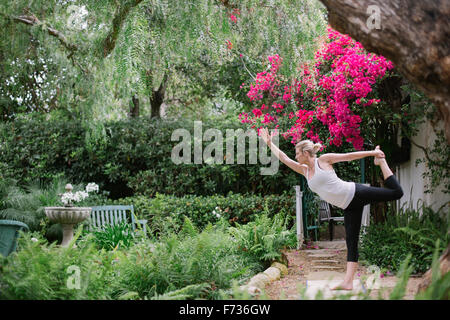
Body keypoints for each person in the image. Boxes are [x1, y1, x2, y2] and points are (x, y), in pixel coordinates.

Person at [259, 127, 403, 290]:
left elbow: (348, 157)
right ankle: (348, 283)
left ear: (306, 153)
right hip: (348, 206)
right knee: (351, 242)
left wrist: (373, 154)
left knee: (396, 193)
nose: (296, 156)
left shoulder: (323, 160)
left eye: (297, 153)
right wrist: (270, 144)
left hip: (356, 193)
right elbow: (285, 158)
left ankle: (382, 162)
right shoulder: (304, 171)